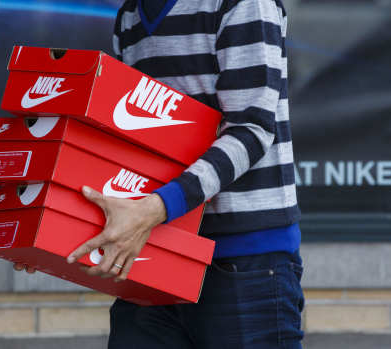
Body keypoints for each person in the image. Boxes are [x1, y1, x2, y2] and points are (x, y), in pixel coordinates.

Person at [16, 0, 303, 347]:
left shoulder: (242, 3)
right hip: (155, 255)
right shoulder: (131, 14)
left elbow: (251, 130)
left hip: (244, 262)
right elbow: (130, 147)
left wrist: (153, 210)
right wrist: (51, 233)